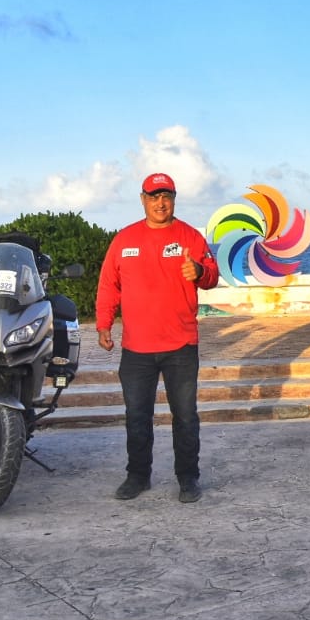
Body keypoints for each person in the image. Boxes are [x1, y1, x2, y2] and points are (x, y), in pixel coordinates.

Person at [96, 173, 220, 503]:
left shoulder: (190, 237)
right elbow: (109, 284)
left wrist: (200, 271)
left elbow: (212, 275)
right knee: (137, 417)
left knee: (185, 417)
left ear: (174, 199)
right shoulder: (124, 240)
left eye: (166, 196)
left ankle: (188, 478)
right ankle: (138, 476)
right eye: (153, 196)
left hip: (180, 346)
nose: (160, 202)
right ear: (143, 199)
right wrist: (103, 324)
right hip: (136, 349)